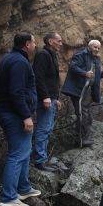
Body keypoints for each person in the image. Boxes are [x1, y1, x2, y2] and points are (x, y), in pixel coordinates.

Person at [0, 33, 42, 206]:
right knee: (17, 153)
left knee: (25, 150)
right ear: (27, 44)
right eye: (34, 42)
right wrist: (26, 116)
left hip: (10, 112)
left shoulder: (10, 58)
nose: (36, 45)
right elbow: (16, 92)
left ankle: (23, 188)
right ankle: (9, 196)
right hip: (14, 114)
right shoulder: (19, 62)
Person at [61, 39, 103, 147]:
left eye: (98, 48)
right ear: (89, 46)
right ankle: (81, 139)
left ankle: (85, 138)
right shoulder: (81, 55)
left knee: (86, 113)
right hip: (77, 89)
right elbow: (73, 67)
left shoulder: (96, 59)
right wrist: (84, 73)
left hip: (88, 91)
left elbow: (95, 75)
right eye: (95, 47)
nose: (97, 50)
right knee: (82, 113)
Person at [32, 32, 63, 172]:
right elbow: (38, 77)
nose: (61, 44)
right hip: (45, 99)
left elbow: (52, 80)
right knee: (43, 129)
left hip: (51, 98)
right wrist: (45, 96)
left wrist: (56, 98)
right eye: (59, 41)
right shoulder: (43, 55)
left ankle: (42, 159)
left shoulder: (51, 55)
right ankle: (39, 161)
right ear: (51, 41)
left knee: (47, 129)